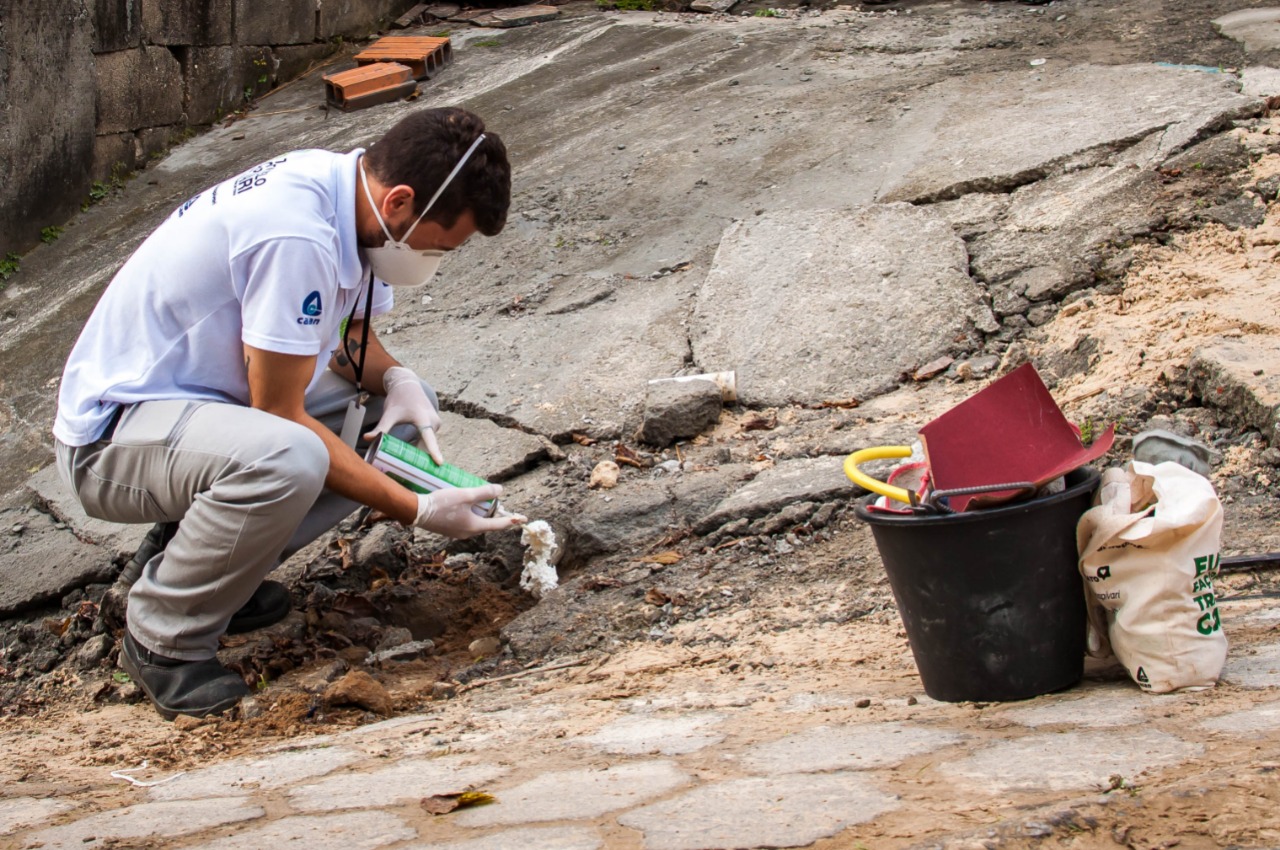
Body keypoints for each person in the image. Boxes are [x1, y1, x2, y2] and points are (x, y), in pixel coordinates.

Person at [52, 106, 525, 721]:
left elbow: (351, 338)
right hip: (114, 437)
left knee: (398, 414)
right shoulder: (296, 233)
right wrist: (415, 507)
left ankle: (202, 565)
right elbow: (280, 411)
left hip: (199, 412)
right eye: (443, 244)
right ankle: (163, 637)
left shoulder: (351, 198)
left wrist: (400, 380)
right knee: (289, 456)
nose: (439, 258)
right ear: (402, 202)